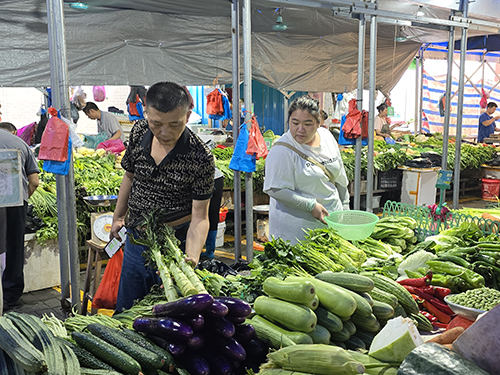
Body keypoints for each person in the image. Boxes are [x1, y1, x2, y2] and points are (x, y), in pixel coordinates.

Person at [110, 82, 215, 311]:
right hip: (137, 238)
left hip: (174, 243)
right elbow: (129, 176)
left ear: (187, 116)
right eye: (156, 123)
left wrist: (191, 256)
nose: (165, 133)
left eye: (174, 124)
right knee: (127, 311)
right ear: (146, 112)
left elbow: (200, 216)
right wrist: (119, 217)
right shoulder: (138, 132)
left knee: (169, 317)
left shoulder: (201, 157)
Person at [263, 96, 350, 244]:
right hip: (298, 232)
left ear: (318, 123)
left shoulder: (327, 137)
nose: (300, 129)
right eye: (295, 123)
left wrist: (345, 207)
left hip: (332, 224)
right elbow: (275, 189)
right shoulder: (282, 150)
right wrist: (310, 205)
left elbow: (339, 174)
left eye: (307, 124)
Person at [0, 122, 40, 312]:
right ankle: (11, 295)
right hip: (15, 201)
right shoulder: (20, 143)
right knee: (14, 246)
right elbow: (34, 181)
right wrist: (23, 199)